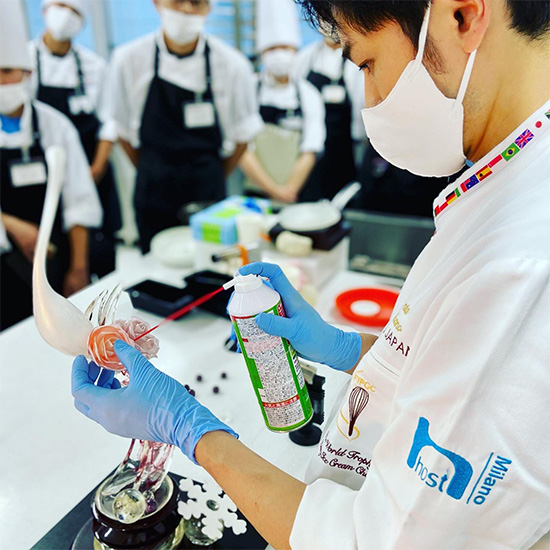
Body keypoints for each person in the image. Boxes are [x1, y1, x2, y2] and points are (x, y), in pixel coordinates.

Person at [72, 0, 550, 548]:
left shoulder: (521, 261)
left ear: (462, 16)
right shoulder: (511, 184)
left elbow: (373, 541)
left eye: (366, 62)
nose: (370, 99)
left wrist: (188, 427)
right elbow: (452, 371)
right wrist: (355, 350)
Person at [108, 0, 262, 253]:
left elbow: (243, 136)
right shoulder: (128, 60)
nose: (187, 10)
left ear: (209, 8)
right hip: (154, 191)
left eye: (197, 2)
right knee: (156, 267)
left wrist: (213, 174)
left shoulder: (233, 64)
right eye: (178, 1)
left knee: (212, 265)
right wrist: (152, 169)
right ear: (157, 3)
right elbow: (121, 131)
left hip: (208, 193)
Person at [1, 0, 102, 331]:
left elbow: (80, 201)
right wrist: (12, 225)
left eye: (7, 72)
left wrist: (79, 268)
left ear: (27, 74)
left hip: (57, 257)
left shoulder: (55, 126)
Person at [28, 0, 121, 278]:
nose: (66, 15)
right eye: (60, 5)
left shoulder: (95, 66)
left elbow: (109, 122)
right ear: (44, 9)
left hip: (92, 172)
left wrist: (95, 169)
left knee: (100, 257)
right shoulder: (21, 63)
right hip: (42, 177)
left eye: (75, 11)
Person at [239, 0, 326, 204]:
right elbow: (241, 147)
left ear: (295, 50)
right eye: (272, 48)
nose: (279, 54)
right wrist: (273, 190)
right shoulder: (249, 89)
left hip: (297, 193)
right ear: (262, 53)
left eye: (285, 47)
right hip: (256, 193)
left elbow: (311, 148)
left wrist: (288, 191)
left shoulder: (308, 94)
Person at [293, 28, 362, 201]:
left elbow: (361, 112)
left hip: (343, 151)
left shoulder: (356, 59)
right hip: (309, 154)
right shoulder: (306, 58)